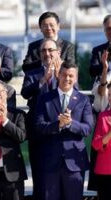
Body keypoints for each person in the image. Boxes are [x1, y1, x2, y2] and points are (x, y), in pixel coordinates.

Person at [34, 62, 93, 200]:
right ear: (58, 75)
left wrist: (71, 123)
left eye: (71, 76)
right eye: (64, 75)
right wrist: (58, 125)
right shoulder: (44, 99)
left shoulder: (84, 100)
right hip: (50, 161)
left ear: (76, 78)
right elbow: (38, 126)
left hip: (74, 162)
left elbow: (87, 128)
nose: (67, 79)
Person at [20, 38, 63, 199]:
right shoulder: (32, 74)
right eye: (44, 51)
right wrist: (43, 79)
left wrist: (59, 77)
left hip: (60, 131)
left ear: (58, 52)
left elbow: (75, 93)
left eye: (50, 50)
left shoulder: (68, 72)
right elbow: (25, 93)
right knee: (39, 176)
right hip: (38, 131)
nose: (47, 53)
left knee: (59, 177)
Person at [92, 84, 111, 200]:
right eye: (109, 95)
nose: (110, 98)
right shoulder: (102, 117)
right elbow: (96, 144)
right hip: (105, 171)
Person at [90, 15, 111, 80]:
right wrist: (104, 66)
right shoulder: (98, 51)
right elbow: (92, 71)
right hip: (104, 87)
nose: (110, 32)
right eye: (107, 29)